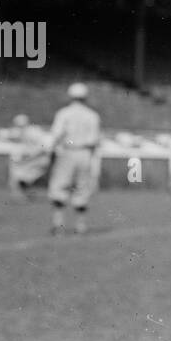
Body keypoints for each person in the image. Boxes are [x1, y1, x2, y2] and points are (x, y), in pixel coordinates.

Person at [48, 83, 101, 235]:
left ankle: (58, 224)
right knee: (82, 188)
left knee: (60, 186)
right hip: (85, 153)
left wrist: (51, 152)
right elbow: (95, 139)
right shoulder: (92, 115)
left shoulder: (64, 113)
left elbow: (56, 134)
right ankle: (81, 225)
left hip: (68, 152)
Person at [5, 113, 51, 202]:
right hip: (34, 160)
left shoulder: (34, 132)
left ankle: (21, 194)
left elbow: (43, 148)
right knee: (18, 173)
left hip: (40, 160)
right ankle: (22, 193)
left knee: (18, 172)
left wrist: (28, 158)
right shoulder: (22, 132)